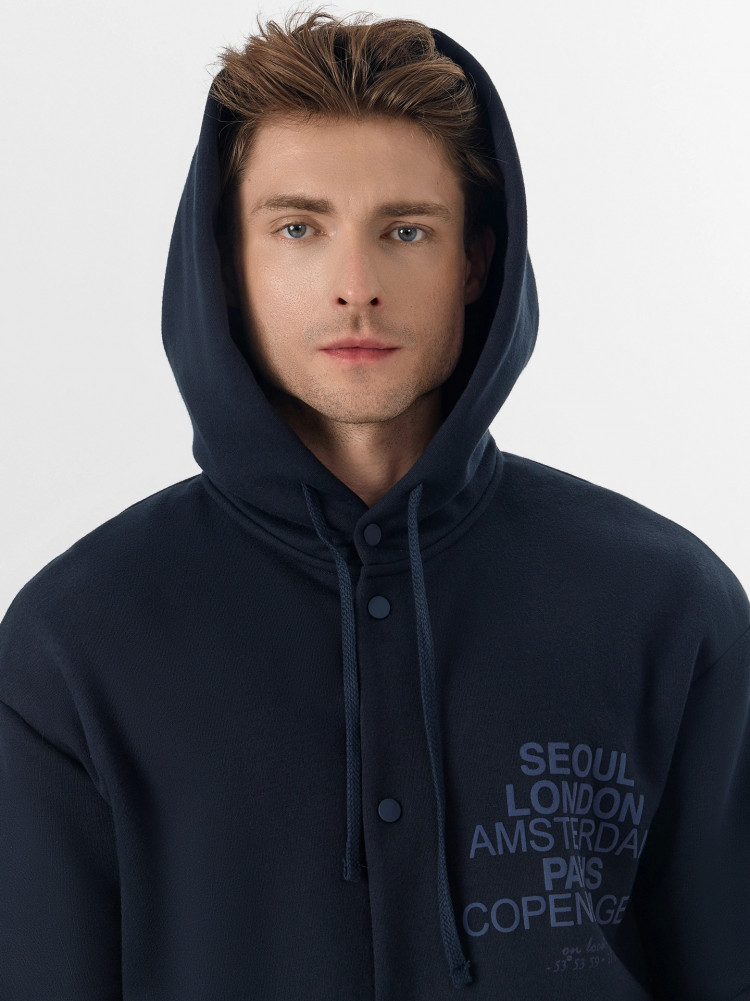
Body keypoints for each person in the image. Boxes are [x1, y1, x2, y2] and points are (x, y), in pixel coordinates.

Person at [1, 8, 748, 999]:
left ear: (475, 260)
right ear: (227, 262)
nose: (356, 287)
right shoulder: (74, 642)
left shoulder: (670, 607)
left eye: (405, 230)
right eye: (299, 228)